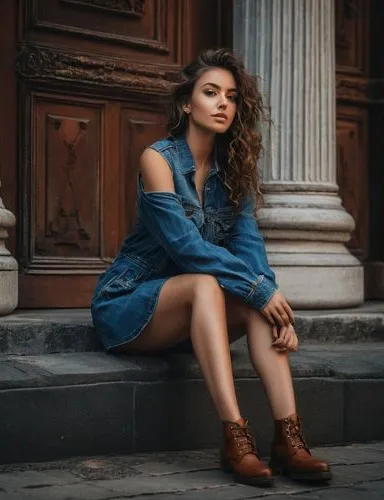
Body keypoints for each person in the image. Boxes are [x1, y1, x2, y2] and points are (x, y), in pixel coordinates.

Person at [91, 48, 331, 487]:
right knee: (207, 281)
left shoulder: (232, 170)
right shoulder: (158, 160)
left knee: (258, 301)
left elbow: (249, 248)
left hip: (189, 322)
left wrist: (274, 300)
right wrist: (259, 289)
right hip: (129, 305)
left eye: (232, 96)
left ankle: (289, 439)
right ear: (187, 103)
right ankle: (235, 438)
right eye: (211, 92)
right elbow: (186, 248)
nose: (224, 103)